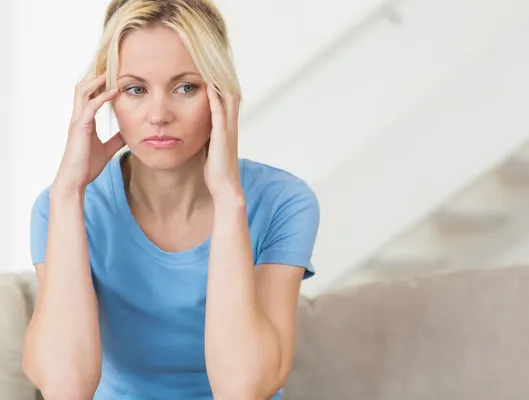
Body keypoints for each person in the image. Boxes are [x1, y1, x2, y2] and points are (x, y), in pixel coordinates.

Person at [22, 1, 320, 399]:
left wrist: (229, 199)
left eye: (186, 87)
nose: (159, 114)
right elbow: (65, 387)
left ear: (221, 95)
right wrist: (66, 193)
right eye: (135, 89)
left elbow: (245, 388)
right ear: (104, 97)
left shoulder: (284, 201)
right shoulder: (61, 208)